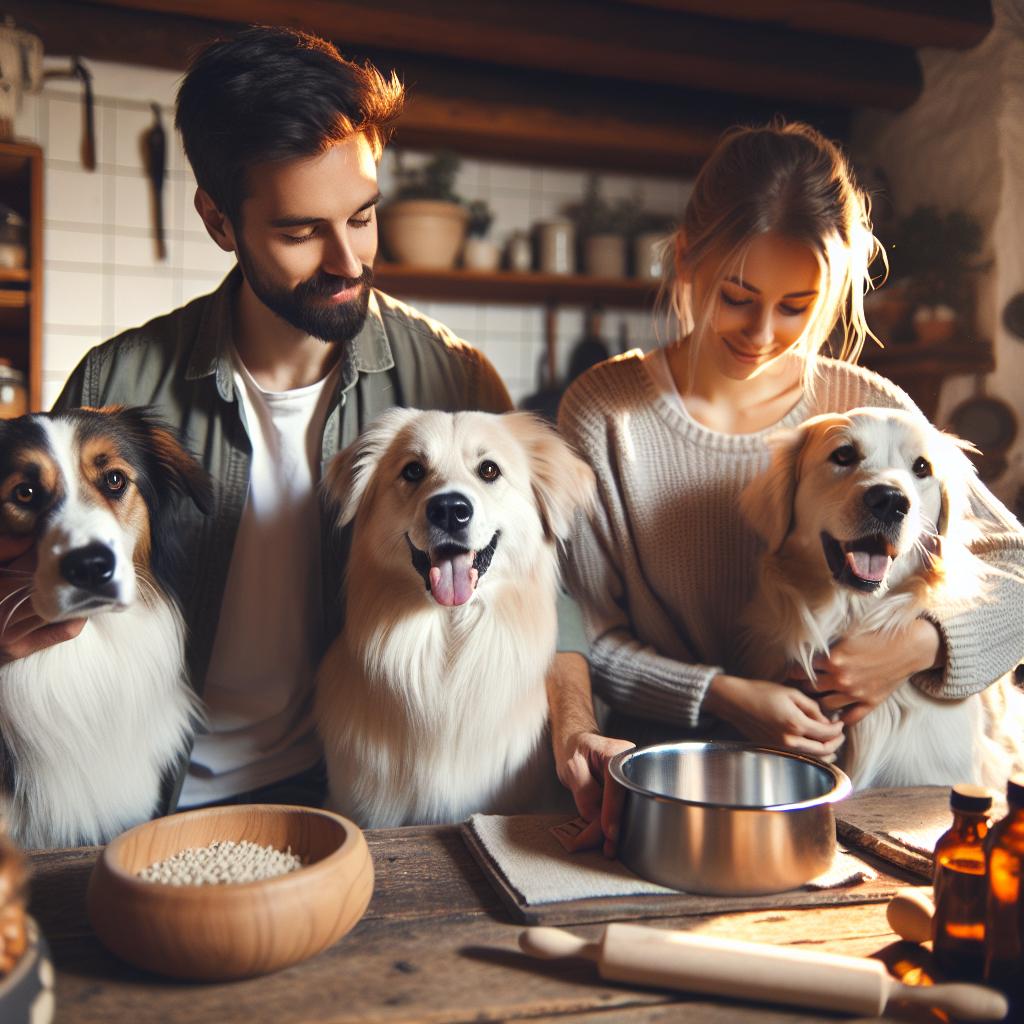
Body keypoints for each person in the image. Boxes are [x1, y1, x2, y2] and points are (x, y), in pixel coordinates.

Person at [0, 26, 626, 822]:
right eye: (300, 232)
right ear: (221, 221)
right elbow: (30, 571)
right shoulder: (116, 384)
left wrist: (576, 727)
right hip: (145, 794)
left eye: (363, 216)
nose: (349, 260)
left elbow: (542, 583)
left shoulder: (451, 378)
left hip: (347, 788)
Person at [559, 121, 1024, 772]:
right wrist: (722, 696)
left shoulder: (870, 406)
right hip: (671, 768)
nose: (761, 332)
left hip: (862, 772)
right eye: (737, 297)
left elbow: (1017, 569)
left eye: (796, 306)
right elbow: (580, 633)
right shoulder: (603, 414)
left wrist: (920, 645)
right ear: (687, 259)